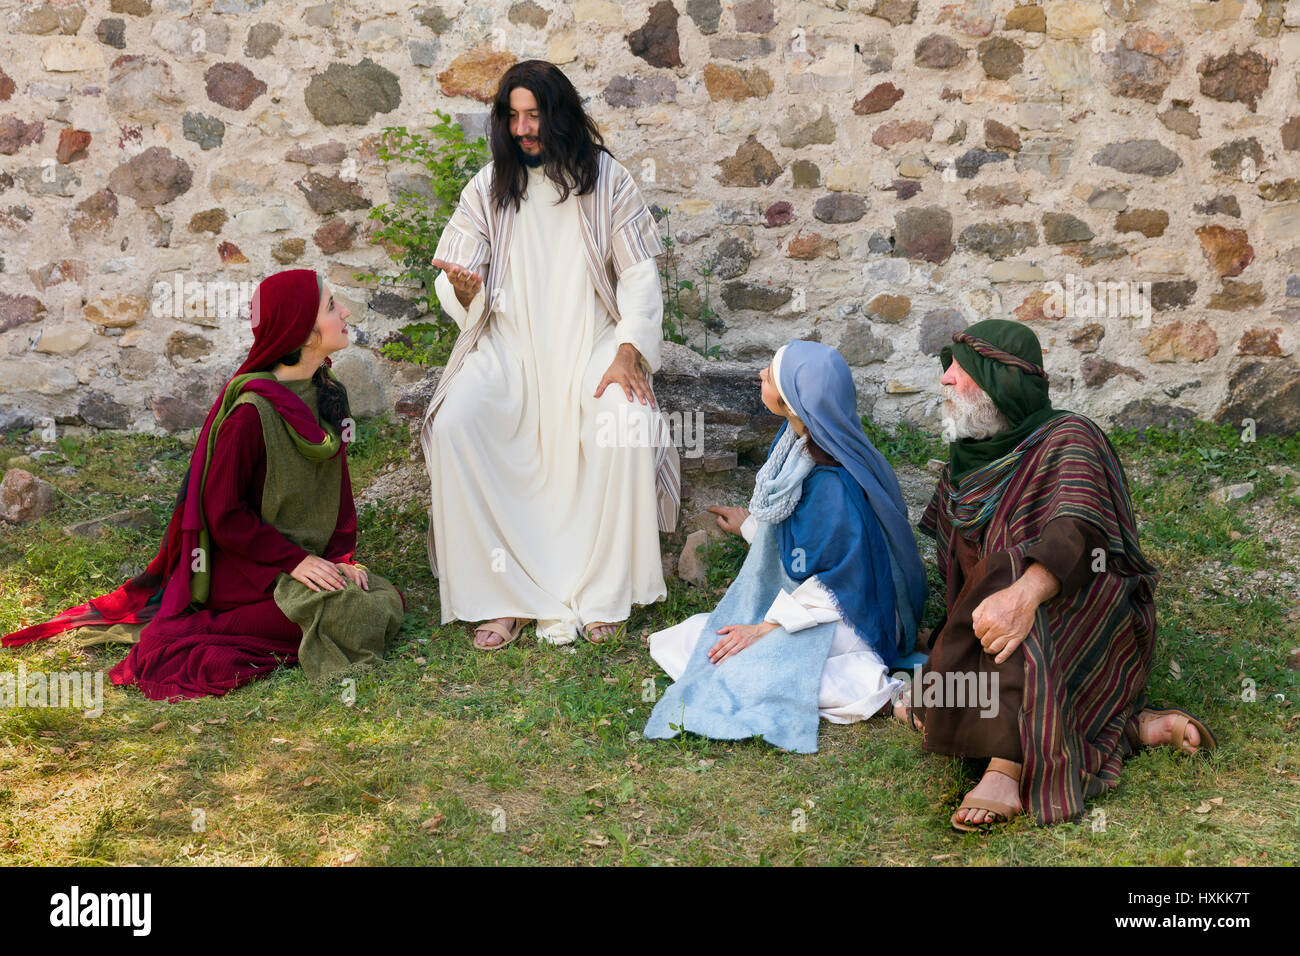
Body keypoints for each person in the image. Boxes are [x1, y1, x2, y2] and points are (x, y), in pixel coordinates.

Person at [3, 269, 405, 700]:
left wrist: (340, 559)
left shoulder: (326, 393)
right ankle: (194, 631)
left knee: (378, 596)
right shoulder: (250, 415)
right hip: (251, 571)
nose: (344, 311)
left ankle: (304, 614)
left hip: (301, 565)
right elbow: (224, 514)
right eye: (331, 306)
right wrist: (295, 562)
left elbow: (337, 497)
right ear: (303, 332)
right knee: (349, 609)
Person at [899, 318, 1216, 830]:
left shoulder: (1070, 438)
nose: (945, 379)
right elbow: (960, 570)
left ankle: (1008, 767)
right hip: (994, 621)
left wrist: (1024, 594)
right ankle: (1126, 730)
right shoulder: (967, 458)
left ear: (999, 379)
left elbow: (1079, 532)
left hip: (1084, 603)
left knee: (1010, 581)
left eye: (960, 368)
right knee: (928, 701)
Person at [420, 59, 678, 650]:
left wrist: (629, 350)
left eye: (533, 115)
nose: (523, 129)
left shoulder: (608, 181)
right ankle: (499, 596)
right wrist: (464, 291)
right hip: (508, 349)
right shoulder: (488, 187)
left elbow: (639, 274)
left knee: (626, 421)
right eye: (512, 117)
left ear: (559, 114)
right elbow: (457, 275)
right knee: (457, 422)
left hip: (592, 345)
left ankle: (602, 593)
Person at [643, 340, 928, 753]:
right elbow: (799, 542)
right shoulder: (799, 442)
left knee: (736, 660)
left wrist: (766, 627)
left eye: (771, 374)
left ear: (794, 401)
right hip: (812, 603)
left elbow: (841, 579)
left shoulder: (832, 486)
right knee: (693, 638)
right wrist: (750, 528)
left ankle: (882, 692)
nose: (761, 375)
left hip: (847, 613)